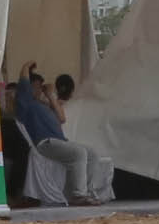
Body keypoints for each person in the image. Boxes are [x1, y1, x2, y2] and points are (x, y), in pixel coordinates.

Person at [19, 71, 112, 207]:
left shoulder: (45, 105)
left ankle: (86, 191)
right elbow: (23, 80)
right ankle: (77, 195)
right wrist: (28, 66)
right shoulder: (27, 104)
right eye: (35, 86)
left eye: (40, 87)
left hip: (59, 142)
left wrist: (51, 96)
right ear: (28, 88)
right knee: (79, 152)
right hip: (45, 142)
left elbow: (62, 118)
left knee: (92, 153)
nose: (39, 90)